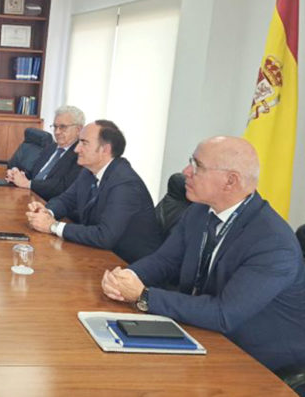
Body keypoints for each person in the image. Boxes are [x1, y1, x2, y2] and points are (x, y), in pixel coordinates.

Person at [101, 136, 305, 372]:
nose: (186, 171)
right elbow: (164, 260)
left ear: (230, 181)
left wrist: (144, 296)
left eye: (197, 166)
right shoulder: (199, 211)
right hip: (202, 332)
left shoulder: (273, 243)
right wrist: (126, 277)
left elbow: (223, 314)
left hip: (258, 361)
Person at [26, 120, 162, 263]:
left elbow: (105, 236)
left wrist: (53, 226)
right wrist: (47, 212)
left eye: (84, 143)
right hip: (98, 254)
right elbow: (66, 200)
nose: (76, 149)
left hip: (127, 264)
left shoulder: (125, 184)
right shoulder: (89, 171)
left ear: (105, 150)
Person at [6, 105, 84, 201]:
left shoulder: (81, 155)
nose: (57, 132)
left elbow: (63, 186)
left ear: (78, 130)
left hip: (48, 203)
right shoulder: (51, 147)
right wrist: (16, 174)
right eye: (55, 127)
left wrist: (28, 184)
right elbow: (33, 173)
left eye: (63, 127)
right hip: (29, 196)